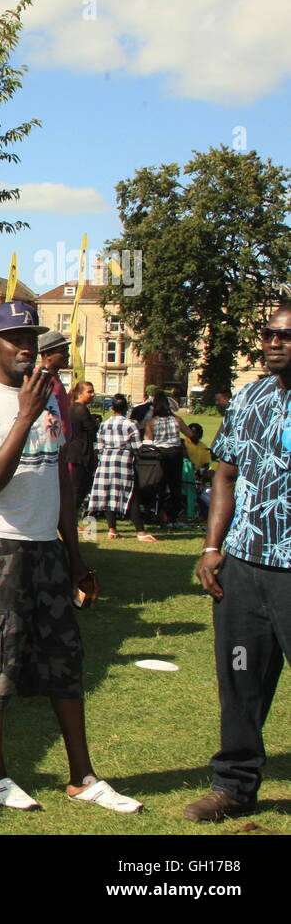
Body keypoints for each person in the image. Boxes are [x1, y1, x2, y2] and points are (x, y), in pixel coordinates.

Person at [0, 300, 141, 813]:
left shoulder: (50, 398)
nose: (25, 345)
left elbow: (59, 478)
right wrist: (25, 415)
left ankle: (83, 775)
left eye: (31, 336)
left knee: (65, 658)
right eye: (13, 337)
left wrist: (75, 555)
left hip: (47, 548)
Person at [186, 305, 291, 822]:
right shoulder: (250, 397)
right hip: (245, 568)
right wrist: (212, 547)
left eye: (286, 335)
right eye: (269, 333)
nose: (275, 342)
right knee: (239, 680)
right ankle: (233, 786)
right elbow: (224, 474)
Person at [86, 395, 155, 541]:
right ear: (126, 409)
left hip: (106, 460)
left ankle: (112, 529)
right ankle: (140, 532)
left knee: (107, 493)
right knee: (131, 494)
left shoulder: (104, 424)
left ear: (112, 408)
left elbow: (99, 445)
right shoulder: (130, 425)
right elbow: (137, 446)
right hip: (124, 460)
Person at [145, 393, 186, 527]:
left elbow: (148, 441)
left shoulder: (152, 422)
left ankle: (158, 514)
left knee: (160, 486)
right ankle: (173, 517)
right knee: (175, 487)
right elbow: (190, 434)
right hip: (175, 454)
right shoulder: (177, 420)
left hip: (160, 455)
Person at [68, 381, 99, 516]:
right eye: (89, 392)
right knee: (78, 488)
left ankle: (71, 517)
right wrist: (95, 421)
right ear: (79, 394)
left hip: (76, 451)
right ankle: (70, 518)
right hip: (79, 453)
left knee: (78, 488)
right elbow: (92, 429)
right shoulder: (80, 409)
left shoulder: (73, 407)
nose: (93, 394)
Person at [37, 332, 73, 440]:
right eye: (63, 352)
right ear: (47, 355)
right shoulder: (41, 379)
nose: (68, 355)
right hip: (53, 447)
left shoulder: (54, 378)